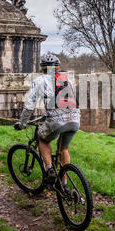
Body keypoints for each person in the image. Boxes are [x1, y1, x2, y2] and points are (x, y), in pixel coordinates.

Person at [14, 53, 80, 193]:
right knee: (64, 149)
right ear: (58, 68)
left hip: (56, 119)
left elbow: (29, 106)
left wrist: (22, 123)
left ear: (42, 68)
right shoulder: (67, 80)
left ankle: (50, 170)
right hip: (74, 118)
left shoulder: (40, 80)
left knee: (41, 138)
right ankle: (64, 184)